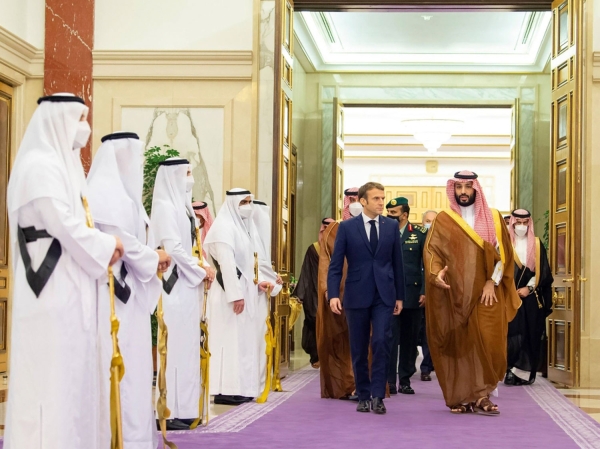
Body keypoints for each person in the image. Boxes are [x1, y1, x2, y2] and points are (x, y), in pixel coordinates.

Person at [5, 93, 124, 449]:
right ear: (58, 121)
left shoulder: (64, 166)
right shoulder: (39, 167)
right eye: (79, 118)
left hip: (71, 292)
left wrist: (105, 246)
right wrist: (108, 245)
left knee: (72, 382)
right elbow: (66, 226)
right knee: (50, 383)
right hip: (50, 295)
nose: (84, 128)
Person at [87, 131, 171, 448]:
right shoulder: (103, 193)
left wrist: (155, 259)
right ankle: (118, 437)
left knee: (135, 372)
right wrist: (155, 257)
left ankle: (136, 437)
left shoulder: (127, 197)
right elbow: (125, 244)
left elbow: (136, 245)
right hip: (111, 298)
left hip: (131, 296)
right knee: (119, 370)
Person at [424, 170, 521, 415]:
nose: (463, 192)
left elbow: (503, 257)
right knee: (461, 345)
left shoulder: (495, 218)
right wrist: (437, 275)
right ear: (453, 190)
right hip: (454, 295)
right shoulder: (444, 219)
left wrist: (491, 282)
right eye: (459, 187)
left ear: (476, 189)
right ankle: (467, 396)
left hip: (488, 294)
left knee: (489, 344)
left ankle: (482, 392)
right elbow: (432, 252)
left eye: (468, 187)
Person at [328, 182, 405, 415]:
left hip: (384, 295)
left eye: (383, 198)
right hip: (356, 294)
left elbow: (397, 263)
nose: (381, 202)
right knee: (359, 347)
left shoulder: (391, 226)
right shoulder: (347, 228)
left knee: (381, 342)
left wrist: (400, 297)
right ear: (363, 201)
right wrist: (333, 294)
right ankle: (362, 394)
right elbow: (335, 265)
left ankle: (378, 395)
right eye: (376, 199)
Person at [152, 158, 212, 430]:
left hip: (189, 287)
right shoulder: (164, 206)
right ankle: (168, 411)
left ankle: (186, 409)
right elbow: (174, 248)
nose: (190, 177)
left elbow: (193, 247)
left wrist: (203, 267)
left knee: (187, 348)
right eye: (186, 173)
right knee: (173, 350)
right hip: (174, 286)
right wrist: (201, 270)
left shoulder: (185, 207)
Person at [204, 189, 273, 405]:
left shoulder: (243, 229)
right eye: (243, 202)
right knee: (228, 343)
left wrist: (258, 283)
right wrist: (236, 296)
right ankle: (225, 390)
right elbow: (226, 265)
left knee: (241, 343)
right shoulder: (223, 228)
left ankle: (240, 387)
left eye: (249, 201)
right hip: (228, 296)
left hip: (243, 293)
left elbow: (248, 265)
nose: (247, 206)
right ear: (233, 203)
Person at [316, 188, 360, 399]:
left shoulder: (378, 226)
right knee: (341, 342)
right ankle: (346, 385)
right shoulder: (334, 230)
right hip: (339, 296)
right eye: (352, 200)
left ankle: (365, 385)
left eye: (359, 199)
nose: (356, 204)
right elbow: (326, 263)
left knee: (367, 341)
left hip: (368, 295)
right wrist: (327, 291)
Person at [505, 209, 553, 385]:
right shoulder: (505, 243)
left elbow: (544, 272)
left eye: (525, 223)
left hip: (531, 297)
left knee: (530, 333)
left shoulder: (538, 245)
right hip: (509, 296)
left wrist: (529, 288)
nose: (522, 227)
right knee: (512, 334)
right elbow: (498, 268)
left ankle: (523, 373)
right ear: (512, 223)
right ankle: (509, 369)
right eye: (518, 223)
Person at [385, 197, 426, 395]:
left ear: (405, 215)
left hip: (412, 295)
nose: (390, 216)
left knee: (410, 340)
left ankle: (405, 379)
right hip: (388, 295)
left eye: (394, 213)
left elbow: (427, 264)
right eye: (388, 212)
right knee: (389, 338)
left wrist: (425, 290)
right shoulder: (383, 232)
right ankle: (389, 380)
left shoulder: (419, 234)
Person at [251, 199, 283, 393]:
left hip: (259, 295)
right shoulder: (248, 234)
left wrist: (272, 276)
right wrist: (271, 277)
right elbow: (256, 264)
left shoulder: (257, 236)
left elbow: (262, 264)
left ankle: (260, 380)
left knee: (261, 338)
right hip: (247, 297)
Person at [294, 218, 334, 368]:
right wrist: (300, 295)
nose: (324, 233)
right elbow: (306, 273)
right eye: (322, 230)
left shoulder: (339, 247)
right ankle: (316, 356)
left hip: (334, 293)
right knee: (314, 322)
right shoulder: (314, 249)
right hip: (315, 293)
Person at [419, 210, 437, 381]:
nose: (430, 224)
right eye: (427, 221)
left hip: (438, 295)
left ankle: (429, 366)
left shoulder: (443, 241)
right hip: (418, 293)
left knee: (432, 332)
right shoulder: (417, 239)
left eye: (433, 221)